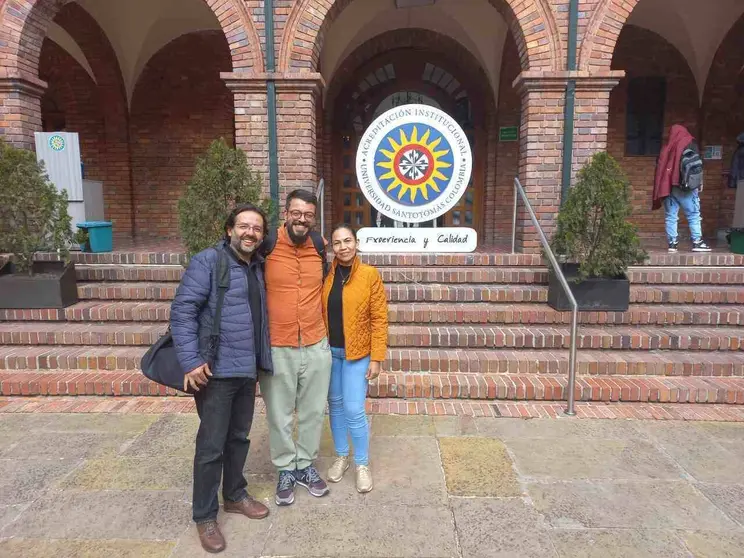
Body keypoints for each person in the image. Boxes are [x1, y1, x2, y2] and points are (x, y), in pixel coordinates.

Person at [170, 204, 273, 553]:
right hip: (215, 370)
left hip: (246, 368)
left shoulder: (255, 265)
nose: (250, 233)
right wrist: (190, 360)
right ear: (229, 229)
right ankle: (204, 516)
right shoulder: (208, 261)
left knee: (239, 437)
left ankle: (234, 494)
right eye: (243, 226)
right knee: (211, 446)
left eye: (257, 228)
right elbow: (183, 310)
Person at [259, 189, 332, 506]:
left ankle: (305, 464)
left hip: (316, 342)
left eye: (308, 215)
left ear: (314, 218)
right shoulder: (267, 245)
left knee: (314, 411)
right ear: (285, 214)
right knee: (280, 414)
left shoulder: (319, 246)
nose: (302, 219)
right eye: (296, 213)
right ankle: (286, 468)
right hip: (278, 344)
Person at [322, 224, 388, 493]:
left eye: (347, 241)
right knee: (335, 406)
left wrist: (377, 358)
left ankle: (361, 463)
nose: (343, 247)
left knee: (353, 408)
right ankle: (341, 457)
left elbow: (380, 319)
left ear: (357, 243)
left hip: (357, 354)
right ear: (332, 248)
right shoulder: (328, 274)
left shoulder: (370, 275)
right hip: (330, 353)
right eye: (337, 243)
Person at [653, 124, 712, 252]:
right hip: (685, 187)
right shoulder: (690, 143)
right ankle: (697, 242)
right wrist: (699, 183)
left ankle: (672, 244)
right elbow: (696, 166)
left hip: (668, 187)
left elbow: (659, 167)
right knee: (693, 214)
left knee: (671, 216)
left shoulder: (666, 147)